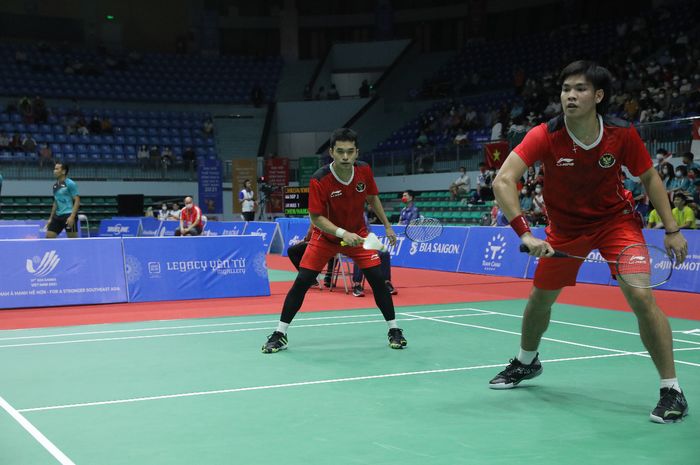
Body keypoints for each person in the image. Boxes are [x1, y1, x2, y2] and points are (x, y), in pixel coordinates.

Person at [490, 60, 688, 424]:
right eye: (566, 89)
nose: (570, 95)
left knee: (642, 295)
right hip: (565, 229)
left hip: (616, 224)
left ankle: (671, 389)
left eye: (579, 89)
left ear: (598, 96)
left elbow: (649, 177)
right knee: (539, 300)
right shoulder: (544, 134)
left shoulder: (621, 133)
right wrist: (525, 233)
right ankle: (527, 361)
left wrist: (672, 229)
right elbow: (503, 180)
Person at [262, 128, 405, 353]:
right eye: (340, 152)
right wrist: (341, 234)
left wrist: (387, 226)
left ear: (357, 152)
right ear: (331, 152)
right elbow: (316, 217)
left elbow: (372, 197)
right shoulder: (320, 179)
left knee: (378, 280)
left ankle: (394, 329)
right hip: (326, 237)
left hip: (357, 235)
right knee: (302, 282)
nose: (345, 157)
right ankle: (280, 333)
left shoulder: (364, 170)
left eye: (350, 152)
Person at [46, 162, 80, 238]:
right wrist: (50, 218)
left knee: (73, 241)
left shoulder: (70, 183)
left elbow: (77, 200)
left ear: (64, 171)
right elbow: (56, 202)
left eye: (57, 169)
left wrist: (72, 217)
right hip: (57, 216)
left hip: (68, 215)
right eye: (54, 169)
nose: (54, 171)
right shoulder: (55, 186)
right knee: (49, 237)